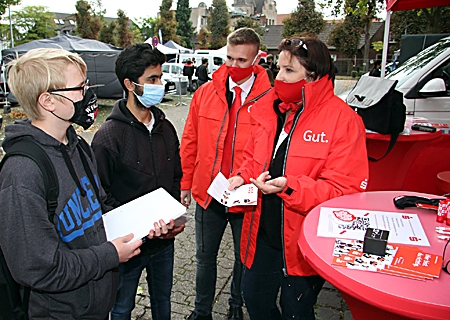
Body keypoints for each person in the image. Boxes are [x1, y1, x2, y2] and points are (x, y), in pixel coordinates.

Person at [228, 37, 369, 319]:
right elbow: (252, 158)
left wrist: (291, 187)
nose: (278, 77)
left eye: (288, 71)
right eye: (277, 68)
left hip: (302, 244)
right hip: (261, 233)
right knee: (254, 298)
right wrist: (241, 177)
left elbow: (346, 192)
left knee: (296, 311)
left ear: (313, 76)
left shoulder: (343, 120)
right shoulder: (269, 108)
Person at [0, 48, 144, 318]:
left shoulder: (78, 147)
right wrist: (110, 255)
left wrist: (144, 223)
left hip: (97, 306)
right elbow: (40, 268)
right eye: (80, 88)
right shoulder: (22, 172)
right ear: (48, 101)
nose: (88, 94)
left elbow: (98, 208)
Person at [180, 27, 272, 320]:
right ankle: (201, 310)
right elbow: (190, 141)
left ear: (257, 58)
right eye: (228, 58)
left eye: (242, 60)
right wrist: (184, 183)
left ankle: (235, 305)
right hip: (210, 193)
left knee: (243, 258)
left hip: (246, 194)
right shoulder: (205, 93)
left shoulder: (270, 98)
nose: (233, 66)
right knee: (204, 259)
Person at [91, 43, 185, 320]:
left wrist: (174, 220)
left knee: (163, 302)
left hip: (164, 242)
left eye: (161, 77)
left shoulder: (166, 128)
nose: (160, 84)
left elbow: (175, 177)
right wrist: (138, 228)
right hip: (127, 246)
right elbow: (100, 195)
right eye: (152, 80)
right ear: (130, 84)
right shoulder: (108, 137)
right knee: (120, 309)